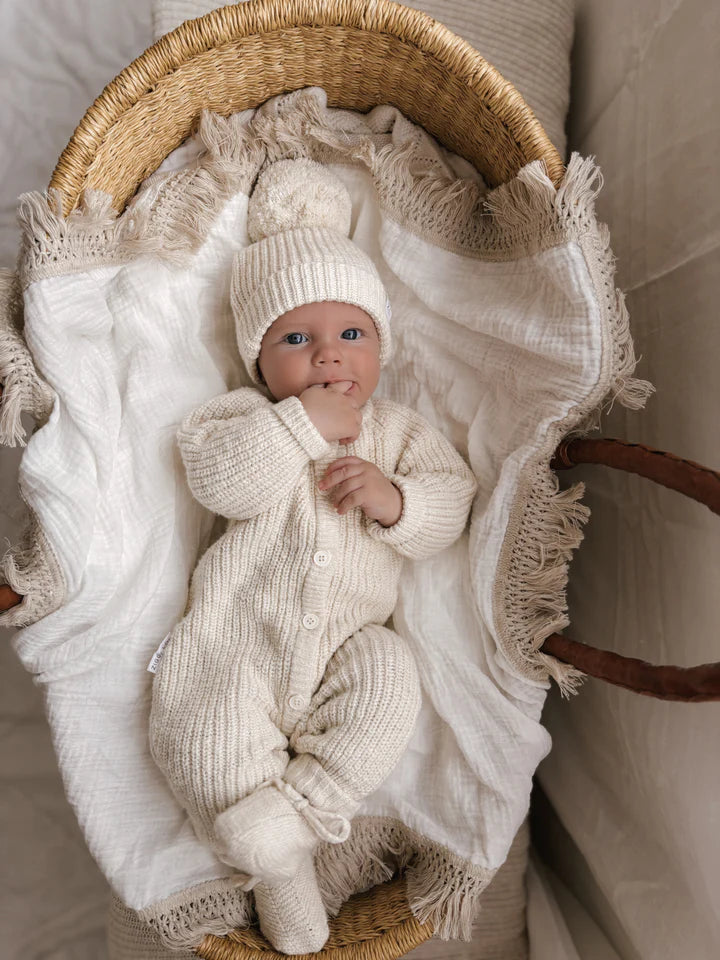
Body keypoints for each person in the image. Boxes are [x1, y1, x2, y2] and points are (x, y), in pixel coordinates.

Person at [148, 157, 477, 955]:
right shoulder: (239, 418)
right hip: (239, 646)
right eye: (298, 339)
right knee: (196, 739)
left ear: (381, 350)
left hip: (342, 652)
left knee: (391, 678)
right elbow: (224, 483)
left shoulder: (394, 433)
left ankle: (298, 809)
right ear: (260, 360)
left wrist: (395, 502)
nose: (329, 358)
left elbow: (452, 501)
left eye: (351, 335)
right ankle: (282, 872)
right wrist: (299, 424)